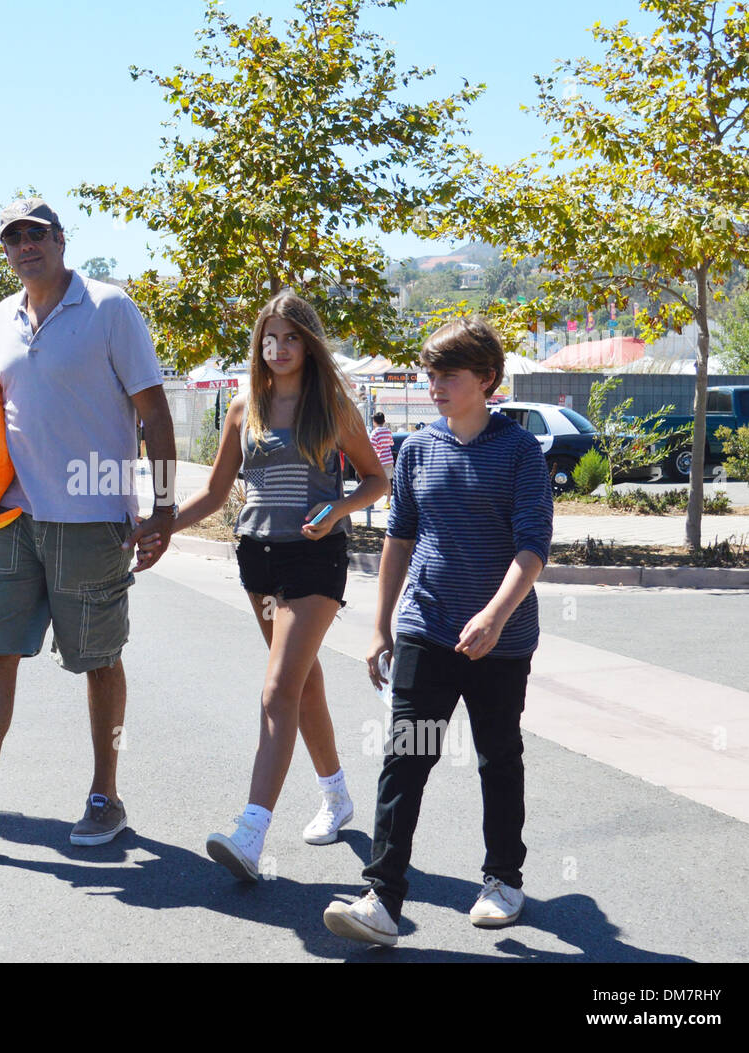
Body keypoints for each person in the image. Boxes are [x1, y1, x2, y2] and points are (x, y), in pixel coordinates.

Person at [0, 196, 176, 855]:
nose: (24, 245)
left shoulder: (110, 308)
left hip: (91, 517)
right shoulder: (2, 316)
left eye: (35, 233)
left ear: (60, 238)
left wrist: (164, 507)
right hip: (13, 517)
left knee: (97, 659)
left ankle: (105, 796)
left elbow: (156, 413)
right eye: (12, 238)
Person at [323, 316, 553, 947]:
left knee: (496, 756)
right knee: (406, 758)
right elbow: (399, 540)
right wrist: (381, 627)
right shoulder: (418, 448)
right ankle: (383, 899)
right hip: (427, 627)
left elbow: (533, 547)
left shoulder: (520, 451)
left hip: (499, 640)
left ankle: (503, 880)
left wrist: (496, 614)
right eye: (430, 374)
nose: (435, 386)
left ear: (487, 380)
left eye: (447, 375)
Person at [156, 291, 386, 882]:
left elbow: (375, 479)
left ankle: (251, 831)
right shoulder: (243, 408)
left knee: (277, 688)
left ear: (308, 344)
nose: (279, 348)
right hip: (257, 559)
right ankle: (337, 797)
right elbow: (212, 494)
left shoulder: (333, 407)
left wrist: (336, 508)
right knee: (303, 685)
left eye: (291, 338)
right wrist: (158, 528)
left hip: (314, 562)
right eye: (270, 338)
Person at [369, 411, 394, 510]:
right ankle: (388, 502)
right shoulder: (388, 431)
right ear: (384, 421)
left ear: (374, 422)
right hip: (388, 459)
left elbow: (372, 446)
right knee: (388, 481)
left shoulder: (374, 433)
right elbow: (391, 443)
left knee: (375, 482)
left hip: (379, 460)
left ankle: (371, 501)